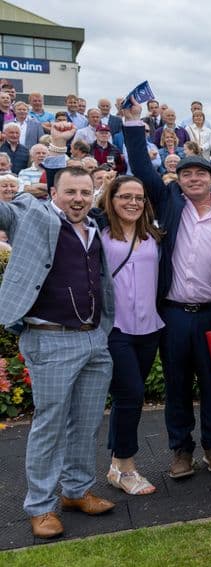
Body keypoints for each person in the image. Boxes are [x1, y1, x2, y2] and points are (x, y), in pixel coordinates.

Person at [1, 157, 116, 539]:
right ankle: (40, 506)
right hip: (49, 337)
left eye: (85, 192)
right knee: (49, 426)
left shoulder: (94, 226)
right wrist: (18, 191)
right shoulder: (31, 216)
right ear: (53, 192)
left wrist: (101, 329)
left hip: (92, 338)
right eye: (70, 192)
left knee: (86, 422)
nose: (79, 198)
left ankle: (76, 490)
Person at [122, 96, 211, 480]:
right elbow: (140, 168)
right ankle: (181, 451)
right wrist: (134, 123)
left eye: (201, 174)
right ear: (179, 180)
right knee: (178, 385)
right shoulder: (169, 201)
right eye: (187, 175)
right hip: (174, 313)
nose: (194, 179)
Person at [97, 175, 165, 496]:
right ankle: (126, 467)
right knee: (131, 394)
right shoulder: (100, 235)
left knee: (128, 399)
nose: (133, 203)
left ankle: (115, 463)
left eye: (138, 198)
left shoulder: (153, 235)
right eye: (125, 197)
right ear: (111, 199)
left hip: (149, 328)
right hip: (116, 329)